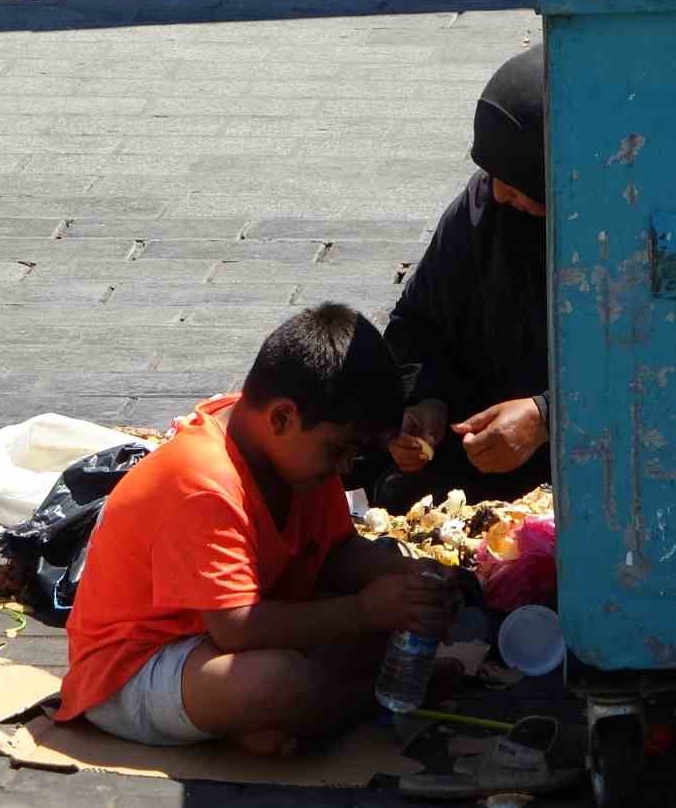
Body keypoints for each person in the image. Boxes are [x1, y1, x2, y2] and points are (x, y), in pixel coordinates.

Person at [57, 303, 471, 755]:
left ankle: (275, 718)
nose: (344, 468)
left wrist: (413, 581)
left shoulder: (293, 455)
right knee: (277, 682)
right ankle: (353, 703)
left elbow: (335, 552)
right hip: (134, 667)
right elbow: (237, 629)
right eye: (337, 450)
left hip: (222, 639)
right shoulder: (203, 482)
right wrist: (367, 610)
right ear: (281, 418)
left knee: (389, 594)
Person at [364, 46, 552, 511]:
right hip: (479, 440)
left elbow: (656, 372)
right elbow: (417, 322)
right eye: (492, 173)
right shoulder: (483, 209)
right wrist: (425, 401)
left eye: (517, 180)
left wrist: (547, 415)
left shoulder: (626, 234)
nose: (500, 192)